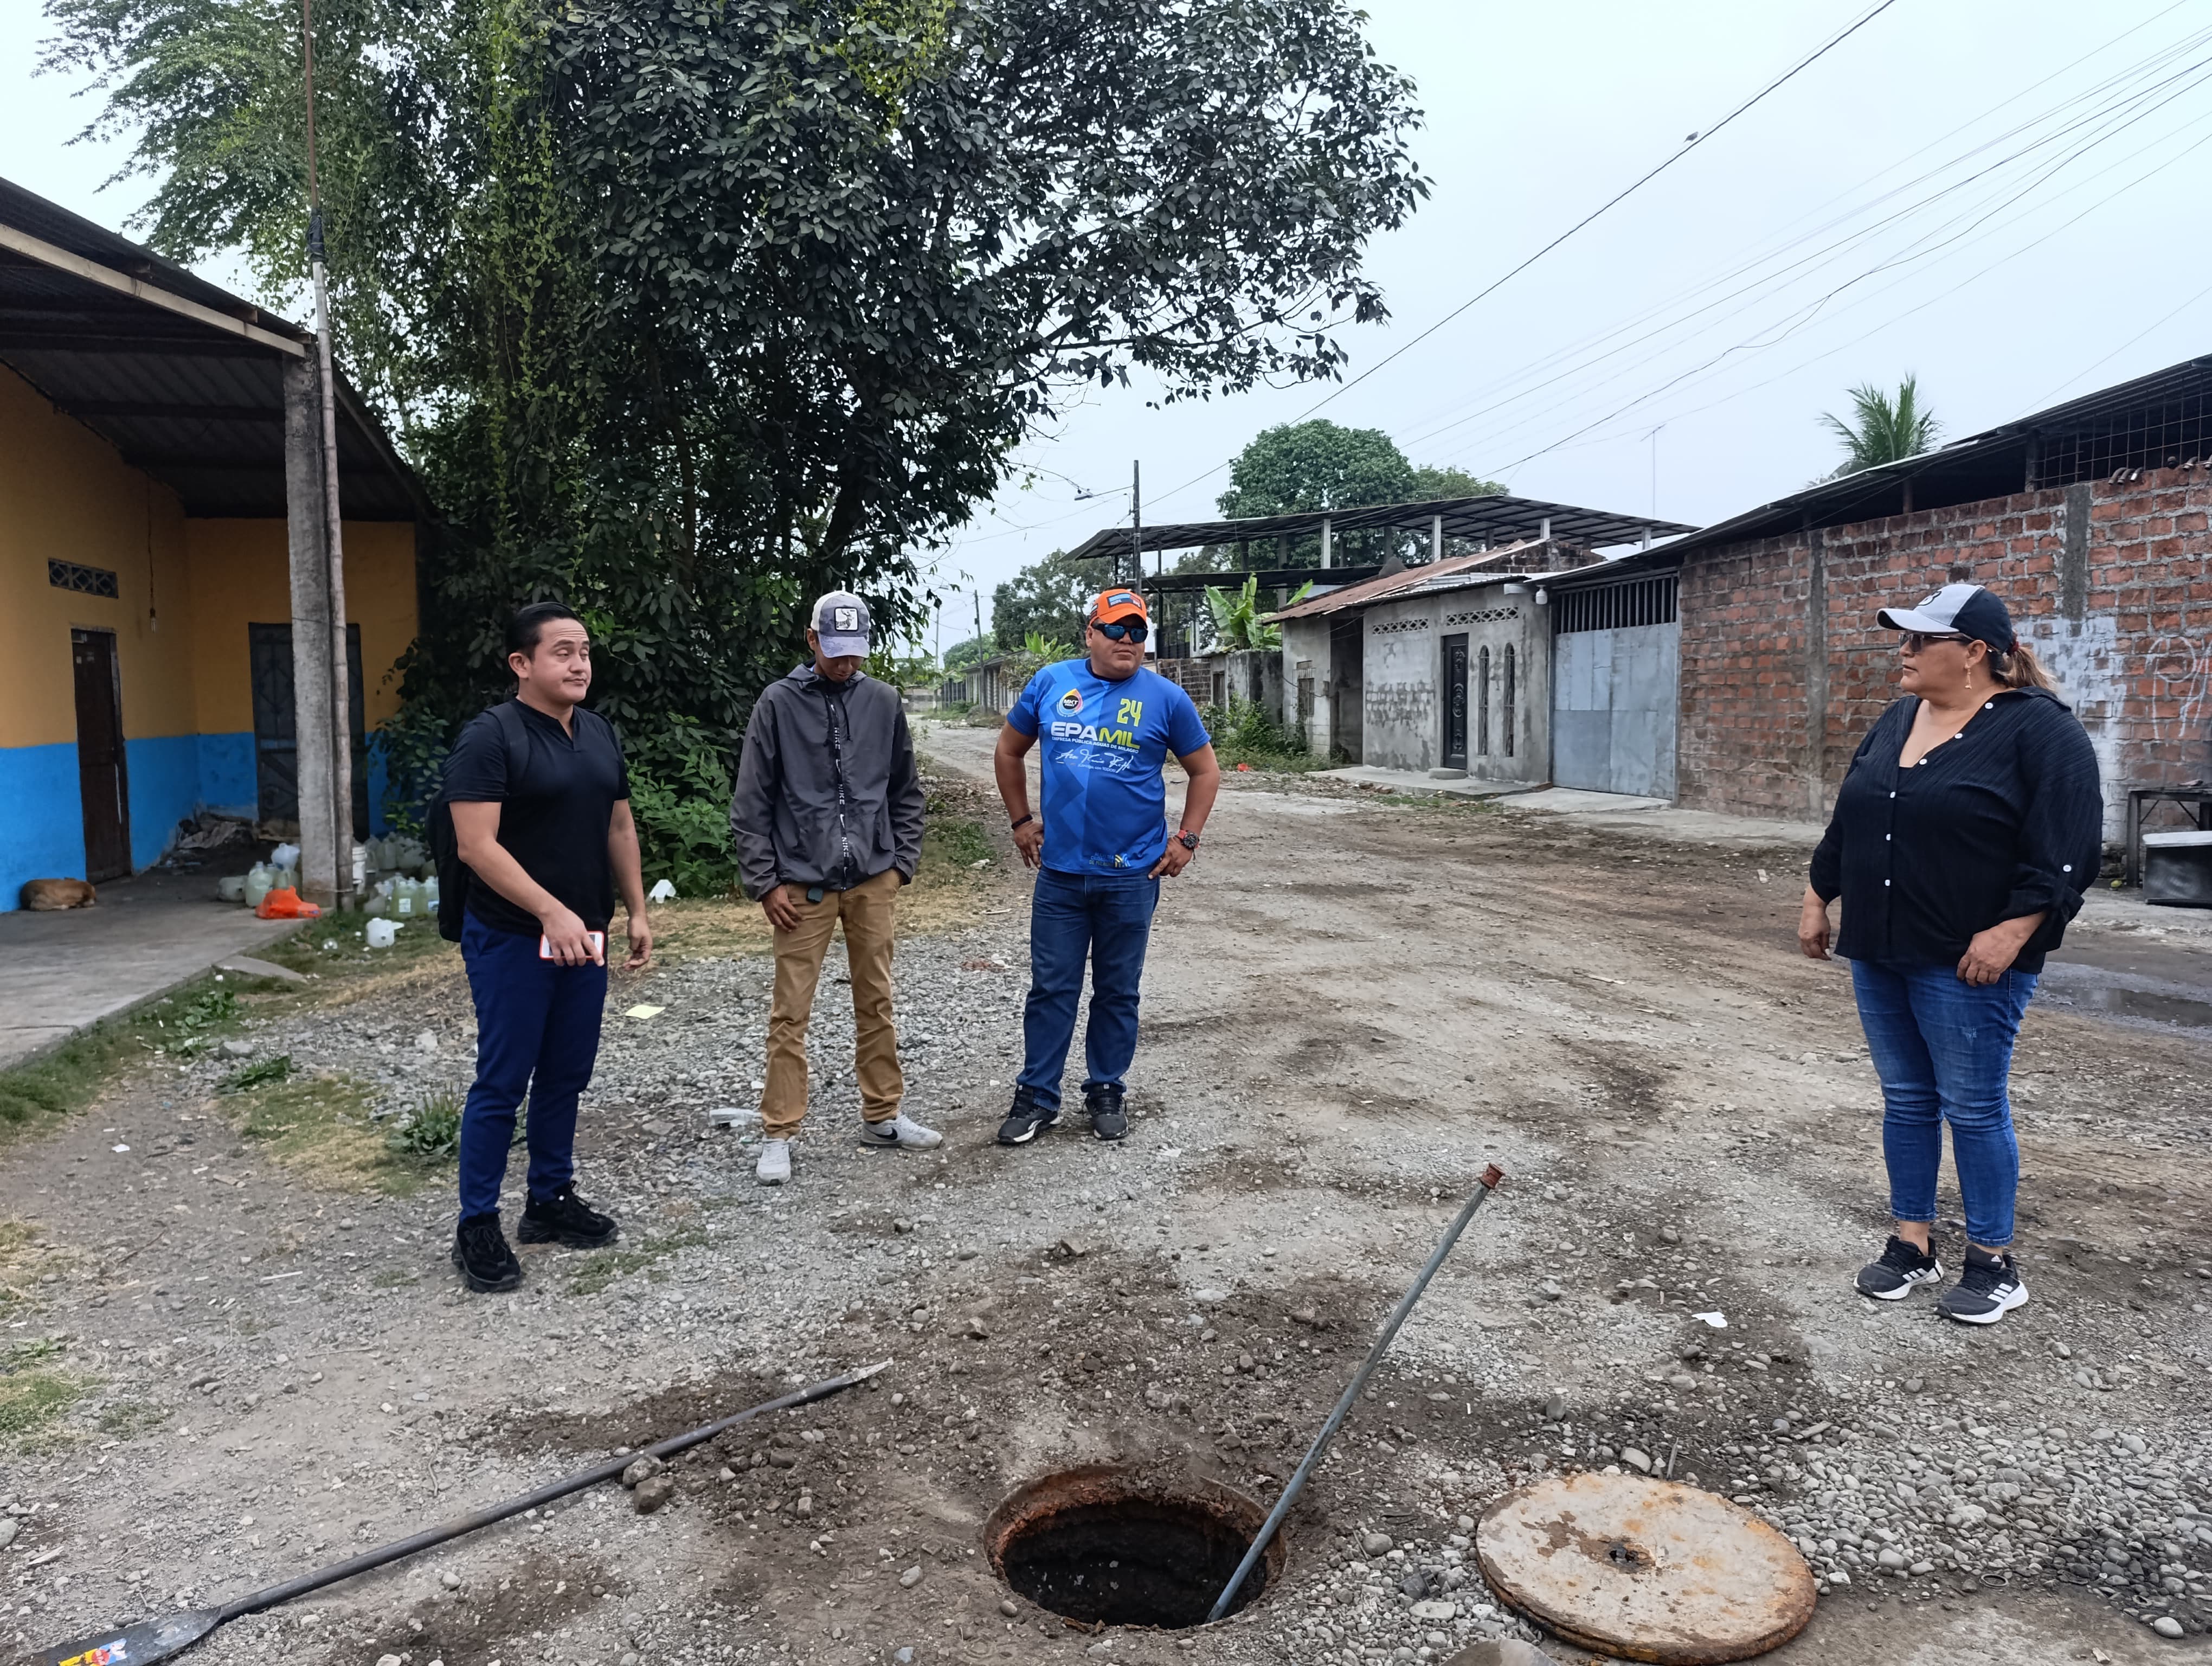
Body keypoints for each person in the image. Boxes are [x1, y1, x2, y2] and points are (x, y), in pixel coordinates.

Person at [1799, 582, 2100, 1326]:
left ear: (1974, 653)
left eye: (1919, 640)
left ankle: (1994, 1263)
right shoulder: (1898, 719)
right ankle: (1913, 1243)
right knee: (1906, 1099)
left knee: (1973, 1106)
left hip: (1970, 960)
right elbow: (1853, 816)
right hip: (1881, 946)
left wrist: (2014, 930)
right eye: (1903, 638)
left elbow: (2067, 849)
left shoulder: (2041, 731)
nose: (1903, 652)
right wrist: (1817, 894)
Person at [443, 601, 651, 1293]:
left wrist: (636, 910)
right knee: (503, 1079)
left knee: (566, 1073)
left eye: (585, 651)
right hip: (511, 935)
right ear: (521, 663)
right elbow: (476, 846)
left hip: (585, 934)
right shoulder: (490, 738)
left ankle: (549, 1200)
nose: (580, 664)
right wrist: (549, 912)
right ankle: (478, 1222)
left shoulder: (597, 732)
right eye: (563, 652)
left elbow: (619, 826)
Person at [993, 587, 1221, 1145]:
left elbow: (1205, 771)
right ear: (1090, 634)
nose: (1128, 640)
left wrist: (1187, 839)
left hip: (1132, 875)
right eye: (1116, 629)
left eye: (1138, 632)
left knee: (1118, 991)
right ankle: (1037, 1096)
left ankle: (1105, 1089)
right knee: (1052, 989)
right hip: (1062, 875)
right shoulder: (1052, 683)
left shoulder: (1167, 699)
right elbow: (1008, 751)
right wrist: (1021, 821)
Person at [730, 591, 940, 1186]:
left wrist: (900, 865)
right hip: (801, 886)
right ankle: (779, 1131)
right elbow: (751, 801)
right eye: (836, 651)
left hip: (873, 880)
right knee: (790, 1012)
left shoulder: (883, 701)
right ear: (812, 640)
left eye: (856, 653)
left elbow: (905, 790)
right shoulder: (778, 703)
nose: (846, 664)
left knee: (877, 1000)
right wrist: (765, 881)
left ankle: (883, 1115)